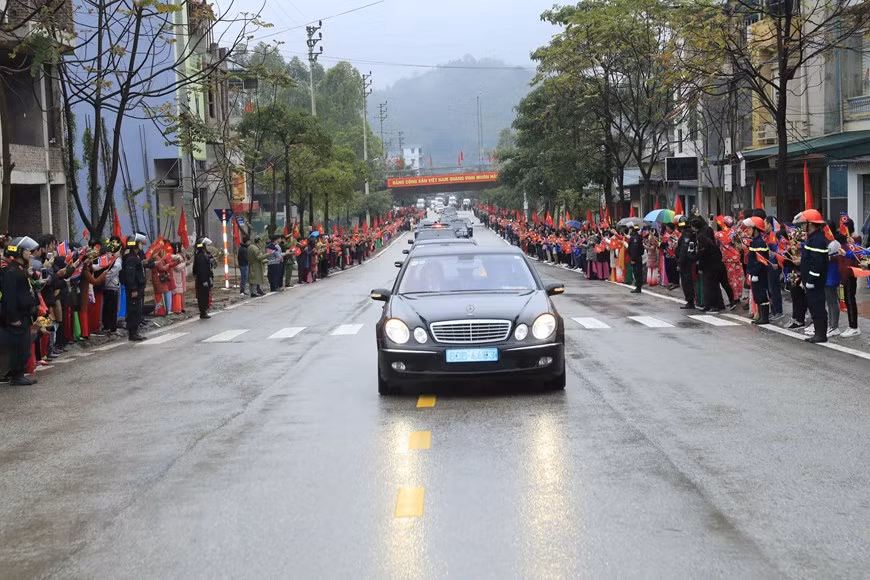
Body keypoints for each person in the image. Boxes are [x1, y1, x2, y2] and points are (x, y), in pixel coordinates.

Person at [0, 236, 40, 385]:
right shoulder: (11, 271)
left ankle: (20, 373)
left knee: (24, 345)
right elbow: (10, 297)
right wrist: (13, 317)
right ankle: (17, 375)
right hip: (17, 316)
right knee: (19, 347)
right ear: (19, 252)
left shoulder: (20, 269)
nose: (30, 253)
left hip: (25, 313)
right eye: (27, 251)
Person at [795, 210, 829, 343]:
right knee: (814, 306)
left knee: (817, 306)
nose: (803, 226)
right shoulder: (813, 238)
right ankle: (818, 333)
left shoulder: (817, 240)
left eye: (805, 224)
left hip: (815, 282)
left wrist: (811, 279)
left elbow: (817, 263)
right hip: (811, 281)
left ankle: (821, 334)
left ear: (812, 224)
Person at [121, 233, 148, 341]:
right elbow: (130, 275)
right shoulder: (131, 258)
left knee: (137, 310)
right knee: (133, 310)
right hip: (134, 288)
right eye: (140, 243)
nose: (142, 245)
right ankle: (132, 333)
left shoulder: (135, 256)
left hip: (138, 287)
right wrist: (133, 289)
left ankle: (135, 331)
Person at [744, 216, 771, 325]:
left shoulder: (759, 242)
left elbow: (760, 260)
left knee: (761, 295)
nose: (748, 230)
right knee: (757, 295)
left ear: (756, 229)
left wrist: (755, 273)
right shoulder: (755, 241)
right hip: (755, 273)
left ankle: (764, 317)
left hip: (760, 274)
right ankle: (761, 316)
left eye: (750, 228)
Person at [839, 217, 861, 337]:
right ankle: (851, 325)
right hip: (845, 274)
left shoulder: (854, 241)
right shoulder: (844, 241)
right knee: (847, 300)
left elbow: (856, 256)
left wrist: (852, 244)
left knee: (850, 299)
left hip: (851, 274)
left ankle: (854, 326)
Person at [101, 237, 122, 334]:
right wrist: (104, 278)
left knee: (112, 308)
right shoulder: (108, 257)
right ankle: (107, 326)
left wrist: (104, 278)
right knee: (108, 308)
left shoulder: (117, 259)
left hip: (113, 285)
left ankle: (112, 326)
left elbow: (116, 267)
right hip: (108, 285)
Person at [765, 217, 784, 321]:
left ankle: (778, 310)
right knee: (770, 289)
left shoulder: (774, 235)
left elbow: (778, 251)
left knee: (774, 289)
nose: (764, 225)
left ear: (770, 225)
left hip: (774, 265)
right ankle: (773, 310)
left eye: (765, 223)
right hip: (769, 265)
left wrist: (775, 257)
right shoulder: (766, 235)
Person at [676, 218, 696, 309]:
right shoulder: (690, 234)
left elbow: (683, 250)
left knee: (686, 282)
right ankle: (690, 300)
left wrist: (679, 263)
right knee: (687, 282)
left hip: (686, 262)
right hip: (688, 261)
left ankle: (690, 301)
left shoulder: (686, 235)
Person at [193, 237, 214, 319]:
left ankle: (204, 310)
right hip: (202, 280)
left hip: (205, 279)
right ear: (203, 246)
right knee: (202, 296)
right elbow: (201, 270)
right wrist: (204, 280)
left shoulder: (204, 255)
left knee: (205, 295)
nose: (209, 247)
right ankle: (203, 311)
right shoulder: (200, 256)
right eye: (207, 245)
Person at [627, 225, 644, 293]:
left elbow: (632, 249)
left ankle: (638, 287)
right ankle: (639, 286)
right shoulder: (640, 238)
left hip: (635, 258)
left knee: (636, 273)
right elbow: (642, 250)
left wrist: (633, 259)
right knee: (639, 272)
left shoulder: (634, 238)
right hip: (639, 257)